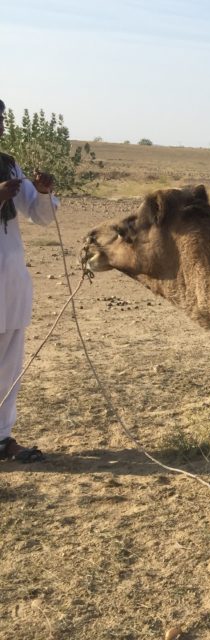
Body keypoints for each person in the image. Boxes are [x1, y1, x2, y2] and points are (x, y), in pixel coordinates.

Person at [0, 98, 59, 462]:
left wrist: (45, 190)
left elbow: (38, 214)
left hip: (10, 276)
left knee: (8, 362)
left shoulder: (7, 163)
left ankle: (2, 438)